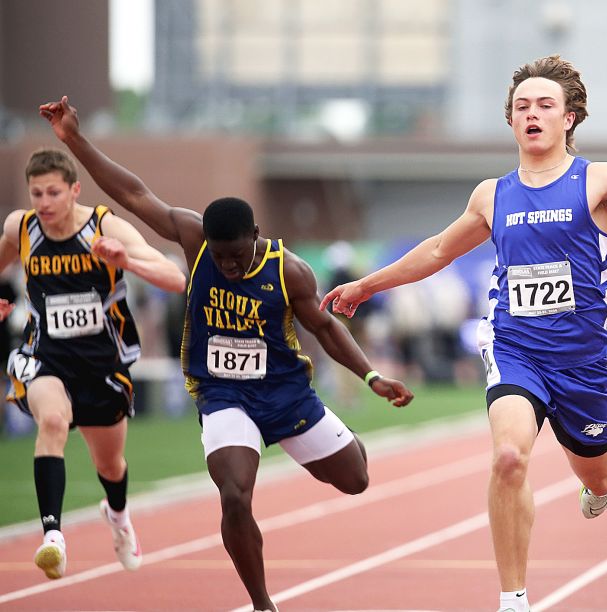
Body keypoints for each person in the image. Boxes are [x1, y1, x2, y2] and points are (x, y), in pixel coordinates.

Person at [320, 55, 607, 612]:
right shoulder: (492, 195)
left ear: (569, 118)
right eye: (522, 107)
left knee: (596, 467)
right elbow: (438, 251)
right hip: (514, 347)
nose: (533, 114)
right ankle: (513, 598)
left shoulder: (599, 180)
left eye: (545, 105)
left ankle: (603, 480)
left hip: (582, 361)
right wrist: (367, 286)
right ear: (511, 121)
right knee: (509, 459)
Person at [41, 96, 414, 612]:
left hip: (285, 394)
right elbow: (132, 193)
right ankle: (263, 604)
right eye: (220, 258)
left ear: (256, 239)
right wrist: (74, 139)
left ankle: (310, 437)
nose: (229, 266)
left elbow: (326, 328)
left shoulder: (291, 271)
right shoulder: (195, 240)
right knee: (236, 494)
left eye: (237, 255)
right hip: (222, 395)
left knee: (356, 479)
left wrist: (371, 377)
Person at [0, 148, 187, 580]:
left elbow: (174, 278)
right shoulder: (23, 227)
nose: (44, 203)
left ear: (74, 190)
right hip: (44, 355)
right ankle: (53, 538)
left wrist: (125, 261)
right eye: (36, 193)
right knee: (51, 422)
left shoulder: (104, 226)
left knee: (110, 466)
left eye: (53, 193)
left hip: (102, 362)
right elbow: (4, 253)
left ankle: (119, 516)